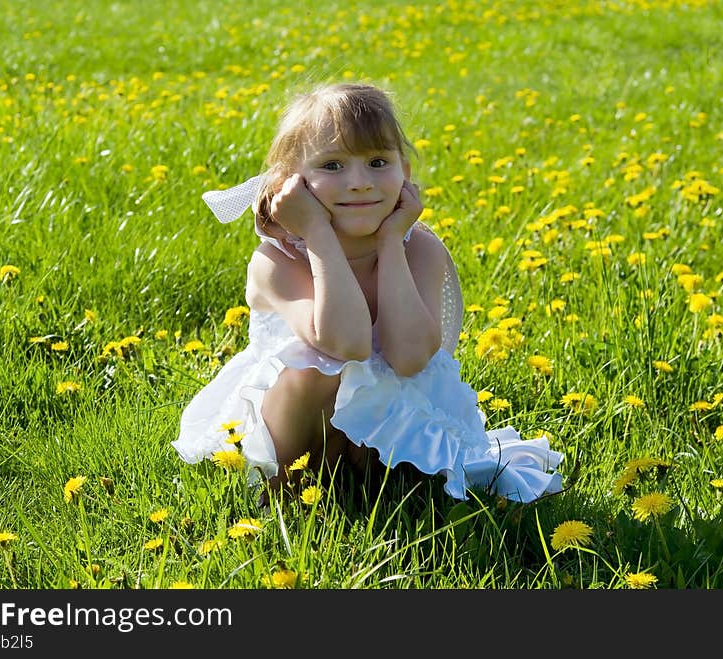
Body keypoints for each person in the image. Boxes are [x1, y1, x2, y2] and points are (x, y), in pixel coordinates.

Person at [173, 82, 563, 503]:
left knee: (387, 392)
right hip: (302, 439)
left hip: (385, 438)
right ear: (292, 184)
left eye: (378, 162)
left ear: (405, 174)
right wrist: (318, 233)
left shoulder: (419, 249)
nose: (359, 183)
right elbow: (347, 343)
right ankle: (286, 491)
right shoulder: (278, 262)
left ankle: (384, 487)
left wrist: (391, 242)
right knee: (316, 366)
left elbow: (411, 357)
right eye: (333, 166)